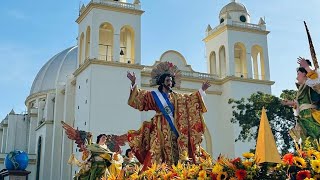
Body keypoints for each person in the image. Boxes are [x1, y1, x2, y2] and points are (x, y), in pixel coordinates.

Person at [126, 61, 211, 170]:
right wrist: (133, 83)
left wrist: (202, 90)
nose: (170, 83)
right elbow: (139, 99)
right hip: (160, 127)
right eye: (167, 80)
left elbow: (190, 99)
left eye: (171, 80)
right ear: (162, 82)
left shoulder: (177, 97)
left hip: (175, 129)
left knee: (176, 151)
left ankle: (176, 172)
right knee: (158, 150)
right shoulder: (154, 96)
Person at [282, 57, 320, 141]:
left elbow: (317, 84)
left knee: (315, 139)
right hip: (303, 118)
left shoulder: (311, 83)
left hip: (312, 117)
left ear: (304, 74)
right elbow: (302, 104)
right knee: (306, 143)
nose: (296, 77)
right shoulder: (301, 88)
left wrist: (307, 67)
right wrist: (292, 103)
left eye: (298, 74)